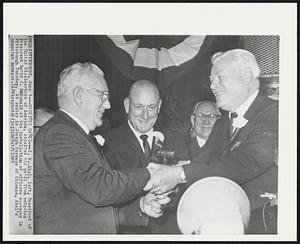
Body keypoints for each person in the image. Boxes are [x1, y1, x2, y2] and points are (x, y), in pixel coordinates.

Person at [145, 49, 278, 234]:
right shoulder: (222, 122)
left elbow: (245, 162)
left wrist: (178, 174)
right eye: (211, 80)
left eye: (220, 78)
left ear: (247, 76)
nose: (213, 86)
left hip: (263, 224)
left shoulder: (276, 113)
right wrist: (162, 191)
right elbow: (201, 165)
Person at [34, 62, 170, 234]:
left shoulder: (76, 134)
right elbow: (100, 189)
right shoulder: (60, 134)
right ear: (78, 95)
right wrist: (152, 173)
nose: (108, 105)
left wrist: (141, 207)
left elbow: (89, 208)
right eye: (103, 95)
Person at [104, 79, 190, 233]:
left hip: (168, 231)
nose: (145, 115)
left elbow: (186, 187)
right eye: (138, 107)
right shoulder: (110, 141)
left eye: (151, 107)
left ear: (159, 107)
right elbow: (109, 192)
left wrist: (166, 201)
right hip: (129, 231)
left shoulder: (176, 138)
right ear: (126, 105)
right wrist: (142, 204)